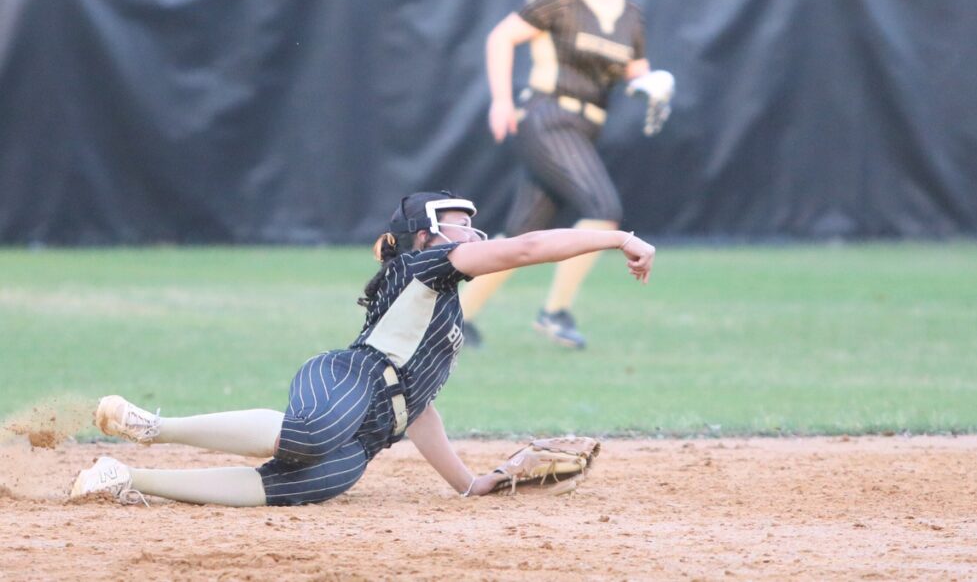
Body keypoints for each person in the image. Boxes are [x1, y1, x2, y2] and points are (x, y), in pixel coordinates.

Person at [70, 191, 655, 506]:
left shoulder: (444, 307)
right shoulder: (425, 265)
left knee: (309, 484)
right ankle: (151, 425)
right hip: (350, 377)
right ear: (421, 239)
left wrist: (470, 483)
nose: (471, 234)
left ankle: (127, 478)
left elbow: (419, 409)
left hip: (377, 426)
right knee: (313, 433)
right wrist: (618, 237)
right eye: (455, 225)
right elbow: (527, 247)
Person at [460, 0, 672, 350]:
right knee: (604, 207)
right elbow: (501, 37)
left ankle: (452, 321)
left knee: (522, 234)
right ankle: (554, 312)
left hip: (585, 126)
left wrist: (654, 84)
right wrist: (501, 100)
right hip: (546, 115)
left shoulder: (631, 15)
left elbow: (634, 71)